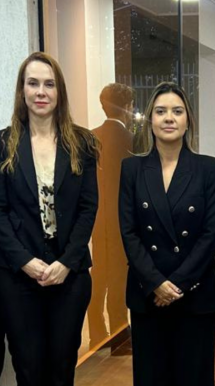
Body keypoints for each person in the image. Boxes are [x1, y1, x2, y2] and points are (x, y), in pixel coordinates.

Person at [0, 52, 99, 386]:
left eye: (48, 84)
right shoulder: (3, 142)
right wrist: (26, 262)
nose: (40, 92)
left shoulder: (83, 143)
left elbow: (88, 208)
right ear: (22, 90)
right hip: (19, 278)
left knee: (61, 367)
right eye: (32, 83)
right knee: (29, 369)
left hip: (69, 277)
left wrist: (67, 262)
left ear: (59, 91)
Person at [119, 82, 215, 386]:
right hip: (148, 296)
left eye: (177, 111)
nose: (168, 118)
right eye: (161, 111)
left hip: (193, 295)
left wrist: (177, 283)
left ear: (188, 120)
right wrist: (155, 283)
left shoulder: (209, 169)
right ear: (150, 120)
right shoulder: (132, 169)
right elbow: (128, 231)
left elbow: (211, 234)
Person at [88, 83, 134, 348]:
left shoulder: (90, 139)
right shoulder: (132, 141)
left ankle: (96, 334)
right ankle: (119, 337)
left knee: (99, 276)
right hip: (123, 221)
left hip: (97, 220)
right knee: (119, 277)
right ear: (127, 107)